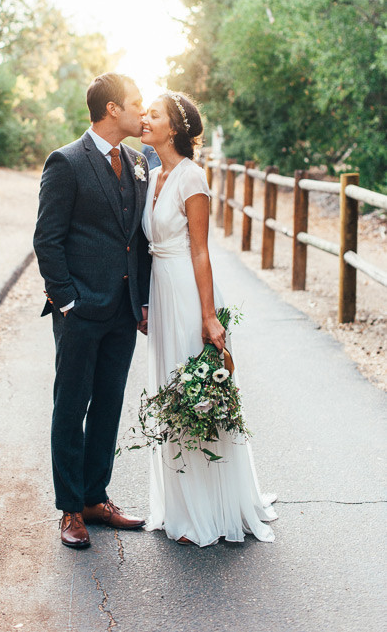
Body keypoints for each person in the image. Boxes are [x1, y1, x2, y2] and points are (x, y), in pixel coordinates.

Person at [140, 91, 277, 546]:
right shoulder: (153, 173)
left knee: (196, 392)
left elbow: (201, 250)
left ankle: (208, 511)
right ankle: (180, 505)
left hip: (188, 292)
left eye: (153, 114)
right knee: (171, 392)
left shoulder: (192, 177)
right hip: (161, 291)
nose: (145, 118)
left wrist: (208, 316)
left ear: (174, 128)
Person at [33, 73, 152, 549]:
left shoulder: (139, 160)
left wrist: (140, 300)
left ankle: (95, 498)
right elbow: (47, 238)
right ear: (110, 110)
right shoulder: (66, 162)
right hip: (79, 312)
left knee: (108, 405)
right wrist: (67, 301)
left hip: (123, 312)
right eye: (136, 105)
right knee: (71, 406)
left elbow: (137, 239)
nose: (143, 113)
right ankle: (69, 510)